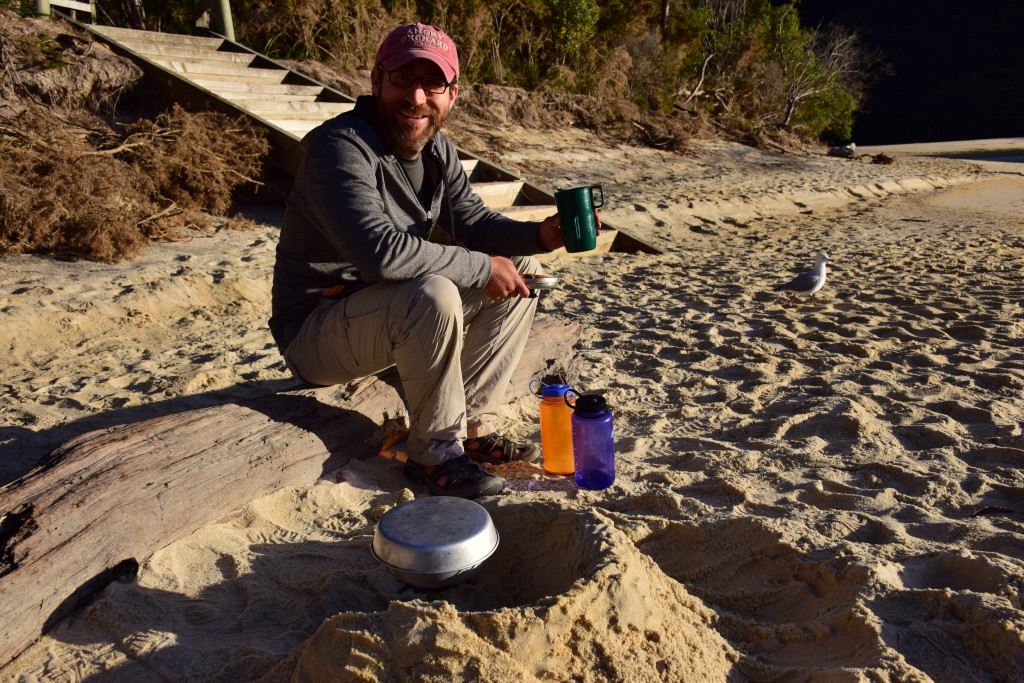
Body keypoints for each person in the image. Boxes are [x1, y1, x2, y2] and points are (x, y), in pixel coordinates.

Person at [269, 23, 597, 499]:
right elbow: (380, 252)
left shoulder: (437, 149)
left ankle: (473, 430)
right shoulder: (339, 148)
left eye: (433, 84)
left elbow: (476, 226)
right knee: (436, 290)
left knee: (520, 272)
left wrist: (541, 235)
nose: (417, 96)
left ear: (453, 94)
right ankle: (434, 455)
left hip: (385, 315)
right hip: (316, 330)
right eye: (403, 79)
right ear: (377, 80)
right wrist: (483, 268)